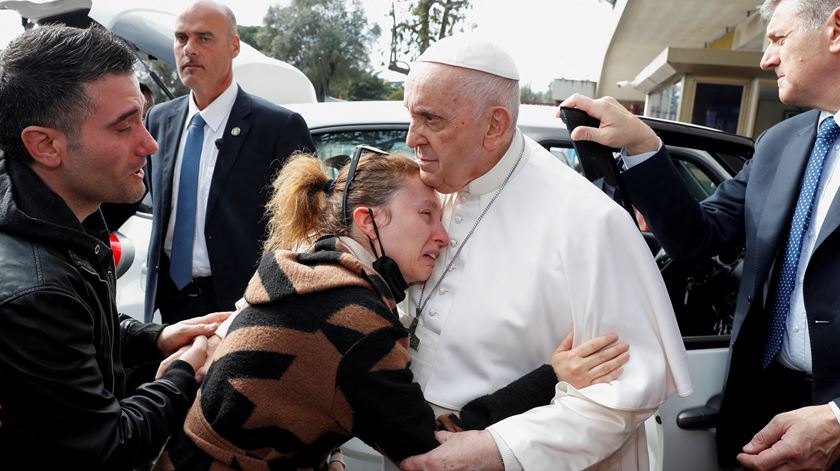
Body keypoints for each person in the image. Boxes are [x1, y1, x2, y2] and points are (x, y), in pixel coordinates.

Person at [154, 150, 631, 470]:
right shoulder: (353, 315)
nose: (442, 237)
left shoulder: (300, 273)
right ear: (369, 220)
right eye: (426, 215)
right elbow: (428, 449)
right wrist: (551, 376)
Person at [562, 1, 840, 469]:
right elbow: (698, 237)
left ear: (836, 29)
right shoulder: (780, 143)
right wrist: (642, 144)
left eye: (778, 39)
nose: (765, 60)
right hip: (759, 412)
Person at [398, 35, 692, 471]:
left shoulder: (589, 223)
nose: (411, 138)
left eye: (431, 119)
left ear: (494, 125)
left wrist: (496, 448)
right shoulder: (421, 196)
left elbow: (617, 396)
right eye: (410, 117)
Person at [0, 24, 227, 469]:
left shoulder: (52, 215)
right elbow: (109, 446)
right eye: (125, 127)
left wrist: (154, 338)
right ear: (45, 144)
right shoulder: (35, 290)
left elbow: (74, 335)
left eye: (144, 117)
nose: (150, 143)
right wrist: (185, 370)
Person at [143, 0, 315, 324]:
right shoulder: (159, 119)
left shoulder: (278, 127)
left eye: (203, 38)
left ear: (233, 46)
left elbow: (304, 229)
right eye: (181, 38)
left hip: (243, 305)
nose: (189, 49)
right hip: (170, 302)